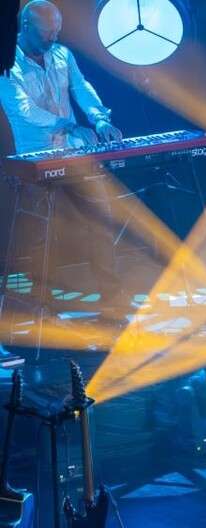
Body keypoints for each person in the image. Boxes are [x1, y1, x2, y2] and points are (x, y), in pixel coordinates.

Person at [0, 0, 127, 312]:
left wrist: (99, 119)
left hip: (73, 152)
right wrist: (69, 124)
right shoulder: (7, 63)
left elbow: (82, 88)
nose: (53, 38)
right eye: (47, 32)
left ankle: (112, 295)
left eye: (56, 31)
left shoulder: (61, 54)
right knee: (42, 235)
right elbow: (24, 109)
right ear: (25, 26)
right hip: (35, 159)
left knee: (100, 216)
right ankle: (42, 304)